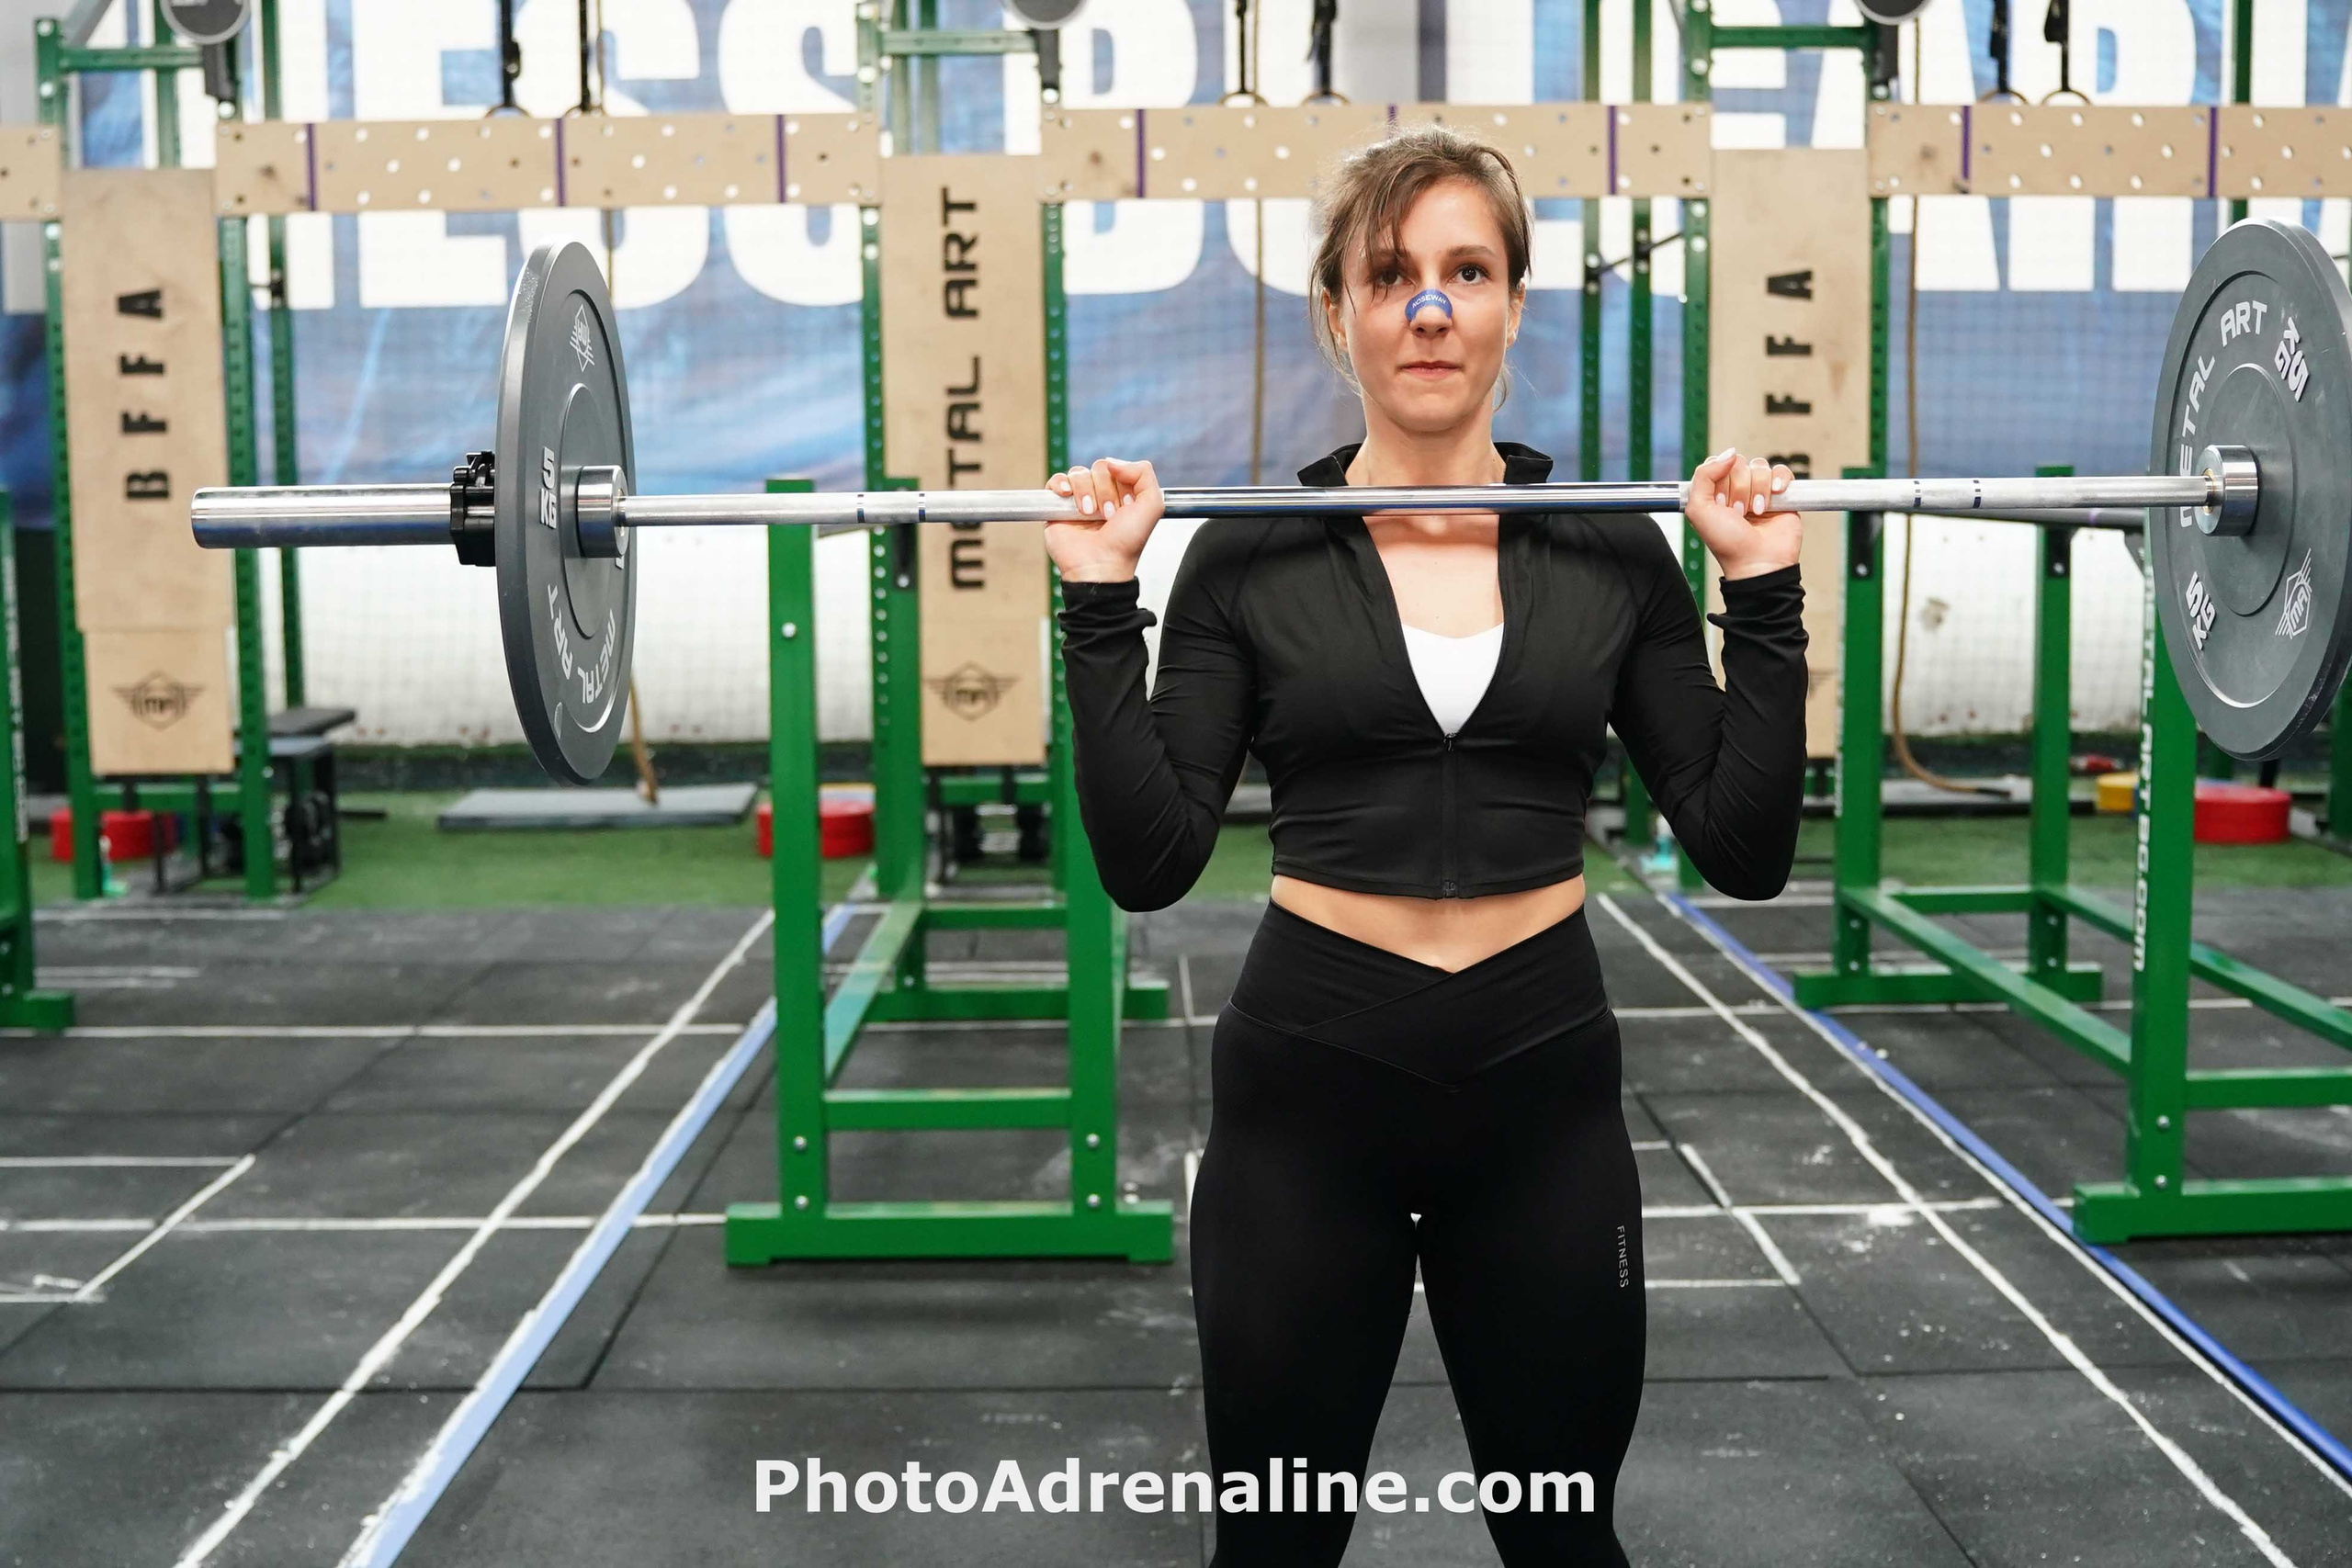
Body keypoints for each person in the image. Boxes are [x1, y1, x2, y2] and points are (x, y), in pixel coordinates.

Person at [1041, 123, 1809, 1566]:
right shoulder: (1249, 552)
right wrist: (1097, 604)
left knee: (1564, 1543)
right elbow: (1150, 860)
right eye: (1391, 275)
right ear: (1339, 311)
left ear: (1514, 301)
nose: (1431, 308)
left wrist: (1760, 595)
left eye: (1467, 271)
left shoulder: (1609, 548)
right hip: (1307, 1100)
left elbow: (1743, 846)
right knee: (1275, 1552)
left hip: (1542, 1101)